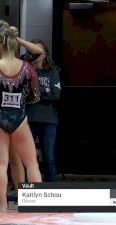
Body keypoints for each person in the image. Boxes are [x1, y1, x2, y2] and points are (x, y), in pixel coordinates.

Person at [0, 20, 42, 211]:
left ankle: (1, 206)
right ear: (11, 42)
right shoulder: (26, 66)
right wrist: (15, 38)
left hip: (0, 116)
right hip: (19, 117)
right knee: (32, 164)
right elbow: (35, 96)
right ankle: (37, 205)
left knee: (1, 165)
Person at [24, 39, 61, 182]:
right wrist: (44, 91)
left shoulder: (52, 72)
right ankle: (28, 188)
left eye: (39, 50)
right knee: (28, 156)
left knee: (48, 156)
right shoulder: (26, 72)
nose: (37, 53)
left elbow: (55, 95)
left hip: (49, 120)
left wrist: (36, 92)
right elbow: (25, 94)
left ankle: (50, 189)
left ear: (45, 53)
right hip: (29, 119)